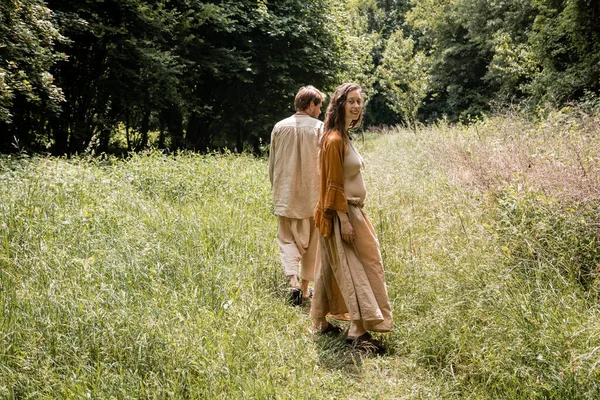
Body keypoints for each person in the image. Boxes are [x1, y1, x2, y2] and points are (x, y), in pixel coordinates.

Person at [311, 82, 392, 354]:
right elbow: (334, 184)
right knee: (356, 269)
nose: (357, 106)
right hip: (342, 214)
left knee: (330, 266)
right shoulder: (334, 139)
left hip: (348, 211)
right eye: (352, 101)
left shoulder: (343, 136)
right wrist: (345, 220)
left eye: (359, 101)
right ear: (340, 104)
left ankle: (320, 321)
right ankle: (357, 332)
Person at [269, 85, 326, 305]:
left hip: (286, 195)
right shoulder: (320, 128)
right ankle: (304, 289)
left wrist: (276, 188)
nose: (320, 111)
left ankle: (293, 281)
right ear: (310, 105)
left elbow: (272, 163)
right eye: (319, 106)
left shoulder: (279, 127)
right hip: (313, 196)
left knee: (287, 239)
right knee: (312, 244)